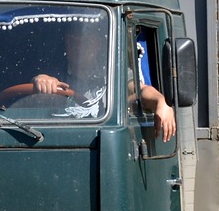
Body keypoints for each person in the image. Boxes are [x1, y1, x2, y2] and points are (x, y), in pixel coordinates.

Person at [32, 22, 176, 142]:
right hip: (58, 139)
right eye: (73, 41)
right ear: (66, 43)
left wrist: (161, 101)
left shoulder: (112, 72)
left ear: (98, 44)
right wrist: (42, 81)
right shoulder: (56, 72)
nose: (78, 48)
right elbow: (34, 95)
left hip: (99, 140)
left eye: (86, 42)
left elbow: (138, 90)